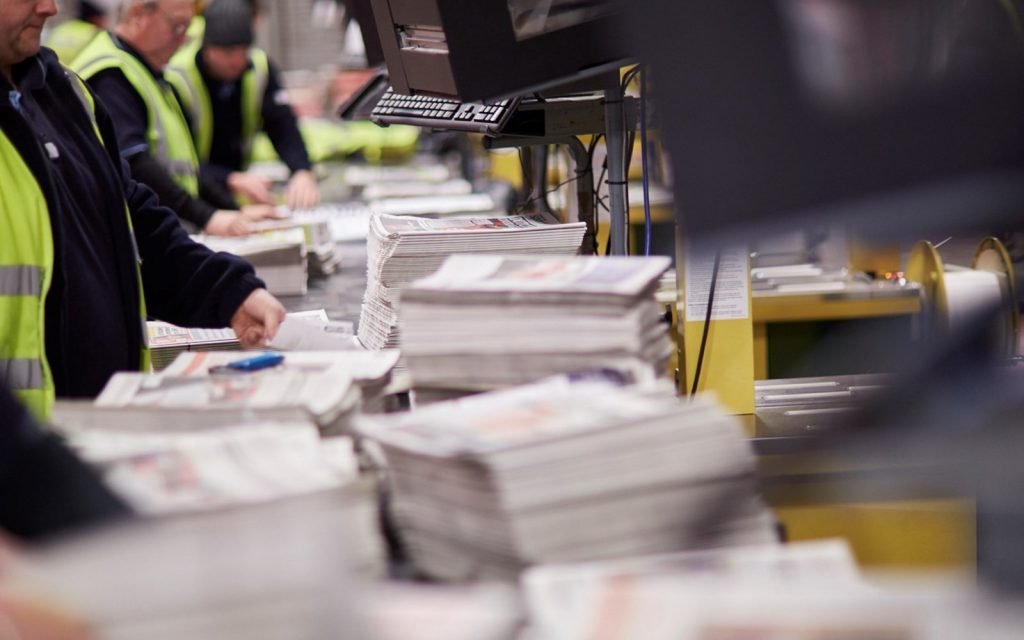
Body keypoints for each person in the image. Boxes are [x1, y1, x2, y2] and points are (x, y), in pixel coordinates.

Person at [0, 0, 286, 419]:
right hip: (25, 460)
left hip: (100, 426)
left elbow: (130, 216)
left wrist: (228, 293)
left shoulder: (62, 92)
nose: (50, 7)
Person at [71, 0, 275, 236]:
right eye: (177, 27)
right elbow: (136, 164)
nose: (183, 40)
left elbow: (184, 170)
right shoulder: (111, 76)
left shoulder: (145, 71)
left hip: (165, 234)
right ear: (138, 15)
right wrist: (207, 216)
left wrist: (230, 210)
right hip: (138, 243)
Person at [166, 0, 320, 211]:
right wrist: (230, 179)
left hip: (235, 188)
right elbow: (177, 161)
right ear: (207, 48)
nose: (237, 60)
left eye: (243, 50)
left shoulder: (259, 67)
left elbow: (283, 126)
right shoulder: (177, 78)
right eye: (228, 53)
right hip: (192, 196)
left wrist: (302, 171)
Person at [43, 0, 113, 63]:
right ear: (94, 18)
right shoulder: (93, 33)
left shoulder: (60, 29)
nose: (104, 22)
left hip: (55, 71)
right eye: (101, 18)